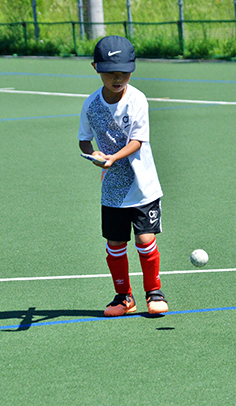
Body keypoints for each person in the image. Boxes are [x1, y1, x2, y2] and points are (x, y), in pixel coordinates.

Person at [78, 35, 168, 317]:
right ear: (95, 68)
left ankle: (154, 292)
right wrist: (93, 154)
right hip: (113, 191)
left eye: (124, 72)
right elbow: (83, 140)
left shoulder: (137, 99)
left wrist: (112, 158)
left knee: (144, 239)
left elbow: (137, 141)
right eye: (110, 73)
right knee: (115, 243)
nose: (118, 78)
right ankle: (123, 297)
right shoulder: (91, 105)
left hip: (143, 187)